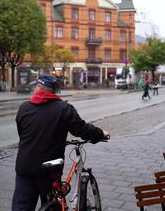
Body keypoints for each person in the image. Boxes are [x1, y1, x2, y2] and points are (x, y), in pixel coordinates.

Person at [12, 74, 109, 211]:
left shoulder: (24, 107)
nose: (34, 89)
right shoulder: (64, 109)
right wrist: (100, 134)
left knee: (21, 207)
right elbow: (82, 129)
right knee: (51, 205)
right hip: (49, 169)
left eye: (35, 86)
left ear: (39, 88)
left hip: (24, 168)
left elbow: (22, 133)